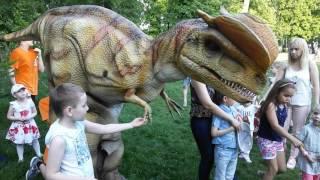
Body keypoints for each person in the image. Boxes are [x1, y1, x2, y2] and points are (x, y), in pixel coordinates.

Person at [25, 83, 147, 180]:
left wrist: (131, 124)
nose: (87, 108)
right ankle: (38, 164)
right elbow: (52, 175)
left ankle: (37, 164)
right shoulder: (59, 139)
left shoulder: (78, 123)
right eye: (83, 105)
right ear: (69, 111)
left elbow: (104, 129)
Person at [275, 38, 320, 169]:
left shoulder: (310, 65)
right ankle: (280, 153)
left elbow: (316, 85)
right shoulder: (285, 65)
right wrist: (268, 98)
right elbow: (276, 83)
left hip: (302, 102)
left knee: (297, 131)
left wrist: (316, 103)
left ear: (303, 50)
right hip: (285, 101)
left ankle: (292, 157)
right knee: (282, 128)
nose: (293, 52)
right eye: (291, 49)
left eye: (296, 49)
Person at [190, 80, 240, 180]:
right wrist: (230, 119)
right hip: (202, 120)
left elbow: (227, 96)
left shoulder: (217, 73)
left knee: (223, 152)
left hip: (219, 118)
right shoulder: (196, 75)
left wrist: (235, 114)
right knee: (208, 157)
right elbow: (207, 104)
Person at [256, 79, 303, 180]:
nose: (288, 99)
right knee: (273, 169)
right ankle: (269, 174)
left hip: (277, 139)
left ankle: (265, 175)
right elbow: (275, 126)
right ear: (277, 92)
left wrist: (283, 141)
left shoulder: (284, 105)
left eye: (291, 96)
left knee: (282, 169)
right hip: (266, 140)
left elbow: (281, 125)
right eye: (286, 95)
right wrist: (292, 139)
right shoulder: (271, 105)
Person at [5, 84, 42, 163]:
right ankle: (21, 158)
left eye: (23, 90)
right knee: (19, 142)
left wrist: (30, 117)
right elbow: (9, 116)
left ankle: (39, 154)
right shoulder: (13, 105)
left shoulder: (30, 102)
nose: (22, 92)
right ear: (15, 95)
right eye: (19, 91)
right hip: (19, 126)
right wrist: (17, 118)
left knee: (35, 140)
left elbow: (35, 112)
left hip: (30, 124)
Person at [211, 91, 238, 180]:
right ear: (225, 99)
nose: (236, 98)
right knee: (220, 177)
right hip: (223, 150)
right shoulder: (219, 112)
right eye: (233, 96)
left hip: (234, 150)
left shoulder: (233, 109)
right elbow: (214, 133)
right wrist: (231, 129)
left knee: (230, 177)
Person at [296, 105, 320, 180]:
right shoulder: (306, 128)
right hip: (307, 159)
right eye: (316, 113)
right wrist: (306, 155)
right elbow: (298, 143)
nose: (317, 116)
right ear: (312, 114)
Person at [235, 97, 259, 163]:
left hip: (250, 127)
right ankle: (241, 152)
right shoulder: (239, 107)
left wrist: (256, 101)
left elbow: (259, 108)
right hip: (241, 127)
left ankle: (246, 154)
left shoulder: (253, 107)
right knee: (240, 139)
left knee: (248, 141)